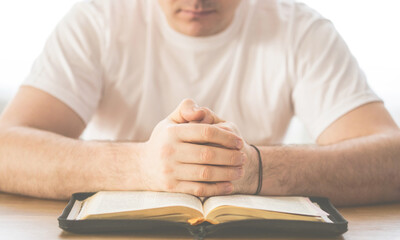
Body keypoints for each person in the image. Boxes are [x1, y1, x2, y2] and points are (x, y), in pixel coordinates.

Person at [0, 0, 399, 206]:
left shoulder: (299, 28)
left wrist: (253, 167)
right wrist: (141, 166)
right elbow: (7, 149)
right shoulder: (98, 19)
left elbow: (391, 159)